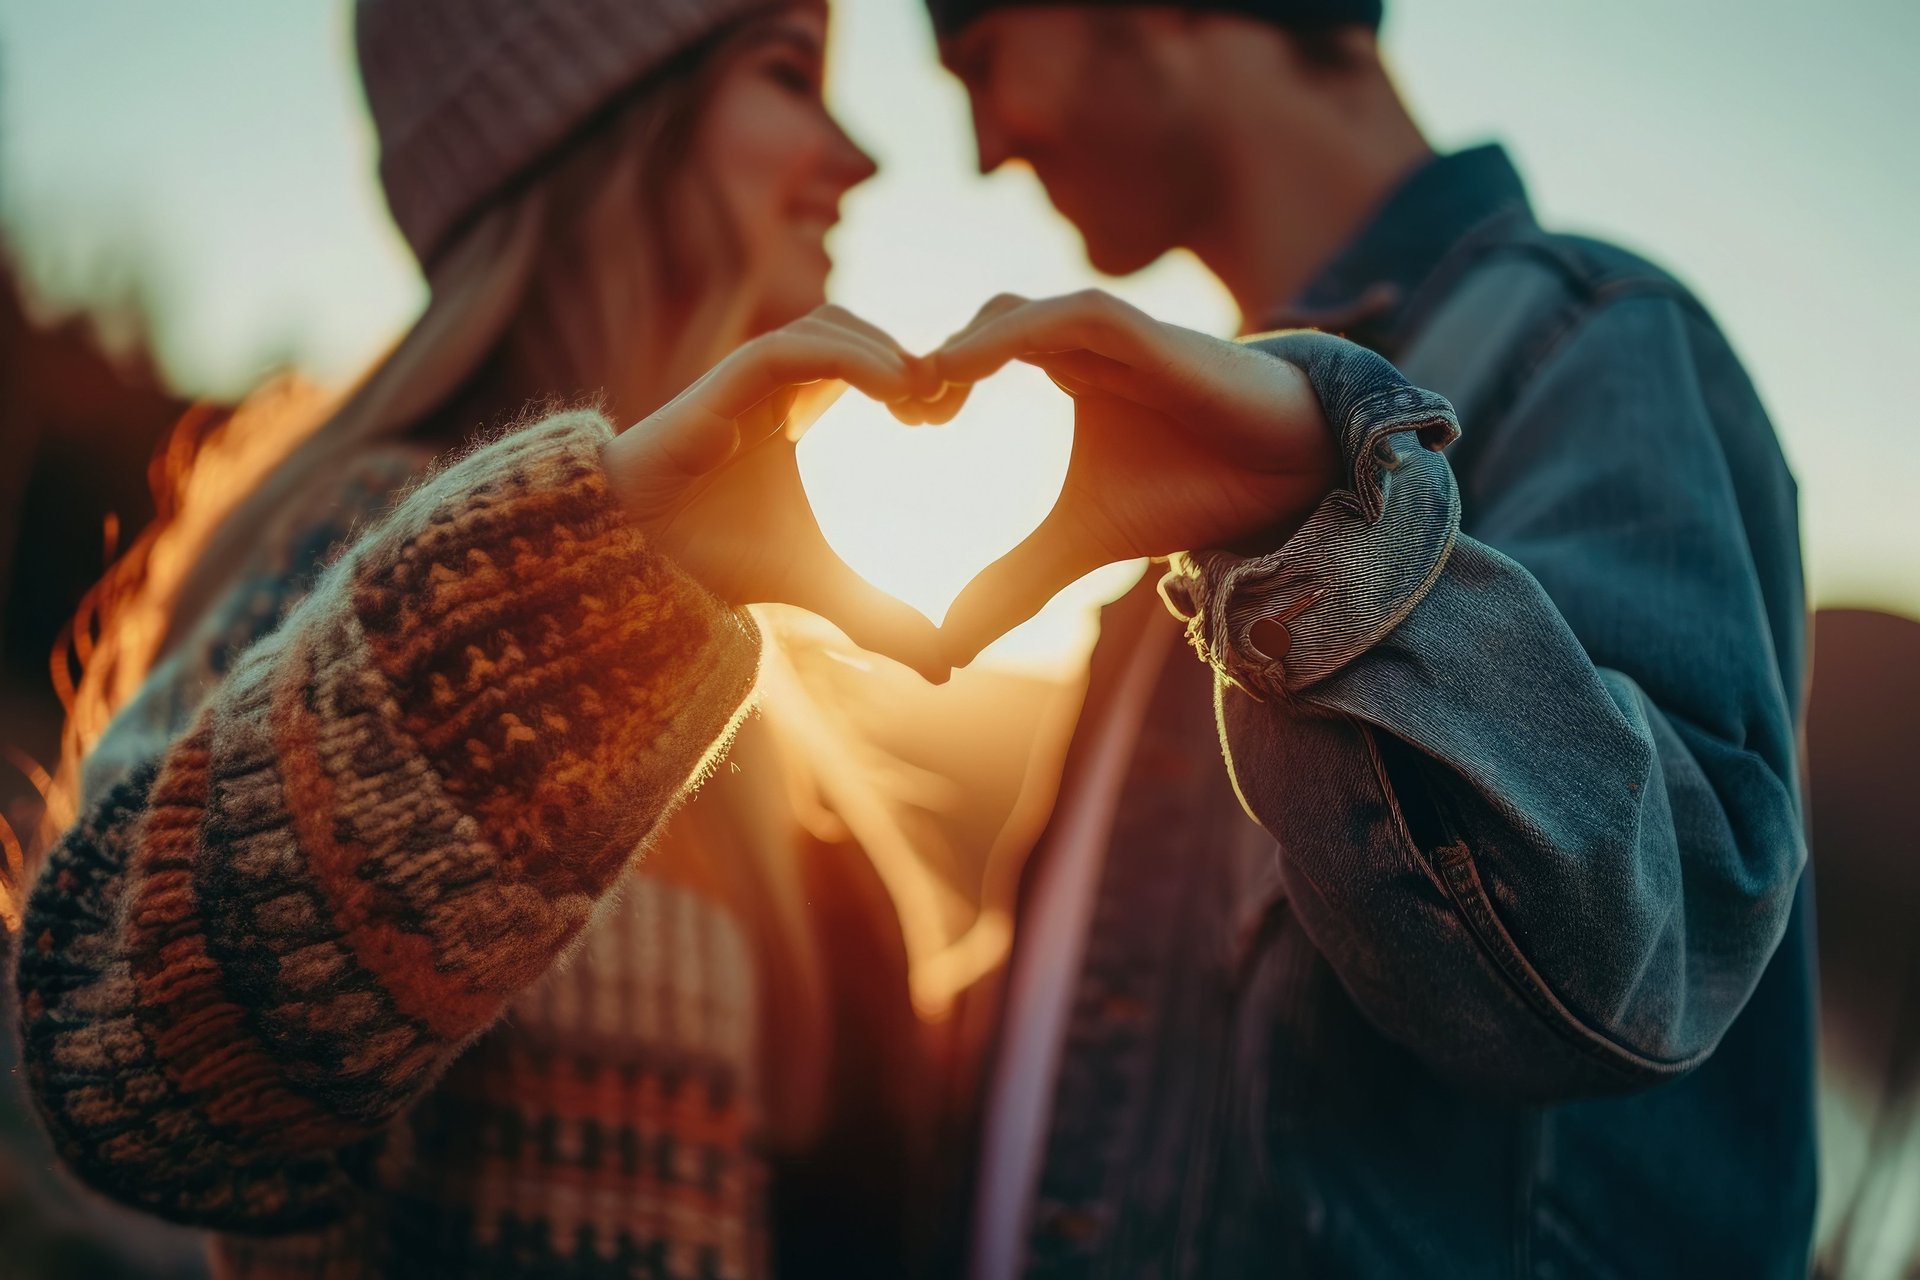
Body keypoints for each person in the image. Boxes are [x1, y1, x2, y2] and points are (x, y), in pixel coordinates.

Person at [10, 0, 958, 1274]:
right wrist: (562, 585)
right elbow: (115, 1048)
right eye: (789, 74)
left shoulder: (725, 675)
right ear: (600, 129)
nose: (858, 154)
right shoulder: (369, 553)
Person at [910, 0, 1817, 1276]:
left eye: (981, 59)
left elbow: (1658, 938)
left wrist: (1326, 532)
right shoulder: (1206, 454)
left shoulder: (1590, 340)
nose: (987, 145)